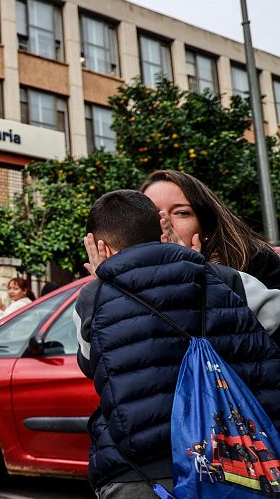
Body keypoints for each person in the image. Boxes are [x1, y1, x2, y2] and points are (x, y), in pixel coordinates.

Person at [75, 190, 280, 498]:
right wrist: (192, 264)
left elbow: (92, 363)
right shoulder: (227, 280)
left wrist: (103, 279)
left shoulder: (93, 299)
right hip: (235, 459)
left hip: (140, 473)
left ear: (100, 246)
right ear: (162, 230)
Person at [139, 170, 280, 289]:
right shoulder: (124, 278)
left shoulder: (257, 262)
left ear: (206, 227)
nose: (164, 222)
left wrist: (193, 275)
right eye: (153, 213)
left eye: (181, 213)